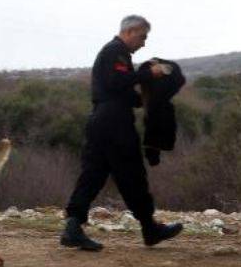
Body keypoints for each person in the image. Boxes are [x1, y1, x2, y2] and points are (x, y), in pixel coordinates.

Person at [61, 15, 183, 251]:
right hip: (113, 122)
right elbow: (117, 81)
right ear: (130, 31)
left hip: (102, 120)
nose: (144, 43)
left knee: (93, 174)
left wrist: (149, 100)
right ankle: (149, 227)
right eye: (142, 37)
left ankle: (73, 226)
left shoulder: (118, 53)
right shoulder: (114, 51)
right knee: (132, 174)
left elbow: (121, 91)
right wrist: (150, 74)